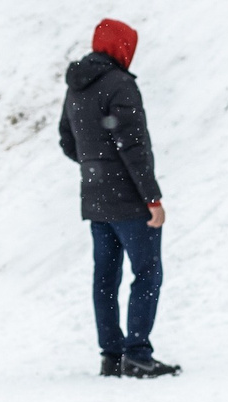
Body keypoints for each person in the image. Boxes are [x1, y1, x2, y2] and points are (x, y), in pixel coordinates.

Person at [56, 18, 178, 378]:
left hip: (95, 197)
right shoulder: (120, 85)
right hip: (127, 199)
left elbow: (67, 140)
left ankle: (111, 355)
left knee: (105, 276)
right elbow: (133, 146)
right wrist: (152, 199)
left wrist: (95, 164)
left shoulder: (76, 86)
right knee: (147, 272)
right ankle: (138, 354)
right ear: (120, 47)